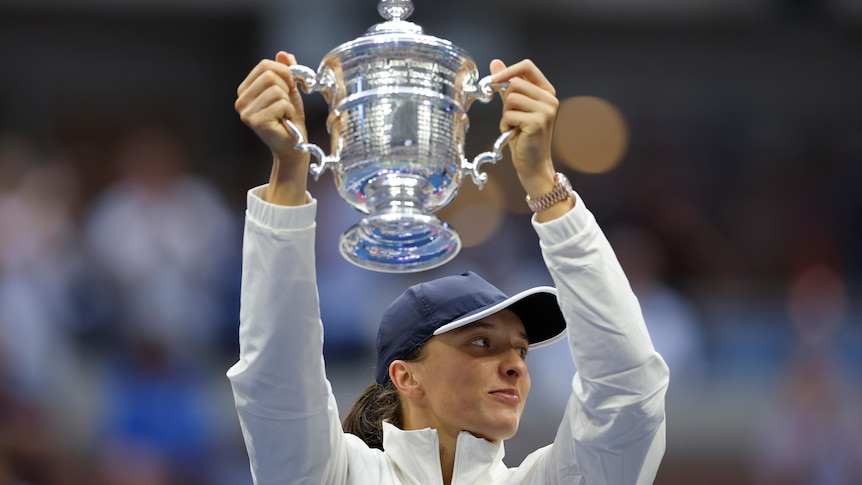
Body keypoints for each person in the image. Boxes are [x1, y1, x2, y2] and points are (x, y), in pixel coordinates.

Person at [227, 51, 669, 484]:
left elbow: (627, 392)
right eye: (481, 342)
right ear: (406, 377)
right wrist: (288, 175)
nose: (516, 366)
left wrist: (544, 184)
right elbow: (279, 379)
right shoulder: (337, 476)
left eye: (520, 349)